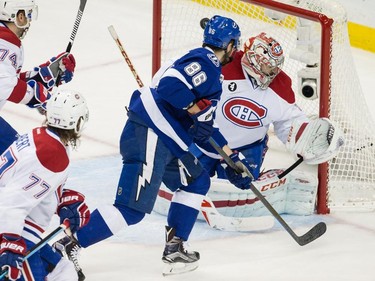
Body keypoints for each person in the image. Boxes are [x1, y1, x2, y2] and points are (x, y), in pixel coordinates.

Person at [53, 15, 248, 275]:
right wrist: (193, 108)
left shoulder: (205, 67)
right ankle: (66, 245)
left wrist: (231, 158)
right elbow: (171, 86)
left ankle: (176, 248)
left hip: (165, 140)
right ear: (230, 45)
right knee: (131, 210)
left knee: (197, 180)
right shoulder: (207, 62)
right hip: (151, 135)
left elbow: (205, 131)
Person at [0, 90, 90, 281]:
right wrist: (10, 242)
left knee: (65, 273)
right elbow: (11, 202)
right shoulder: (52, 155)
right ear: (78, 122)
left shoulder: (40, 136)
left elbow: (24, 183)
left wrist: (62, 200)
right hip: (14, 231)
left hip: (20, 230)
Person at [0, 0, 76, 154]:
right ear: (19, 16)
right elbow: (4, 84)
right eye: (28, 15)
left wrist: (46, 75)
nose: (29, 22)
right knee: (19, 159)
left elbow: (7, 79)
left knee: (18, 159)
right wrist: (42, 97)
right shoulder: (4, 44)